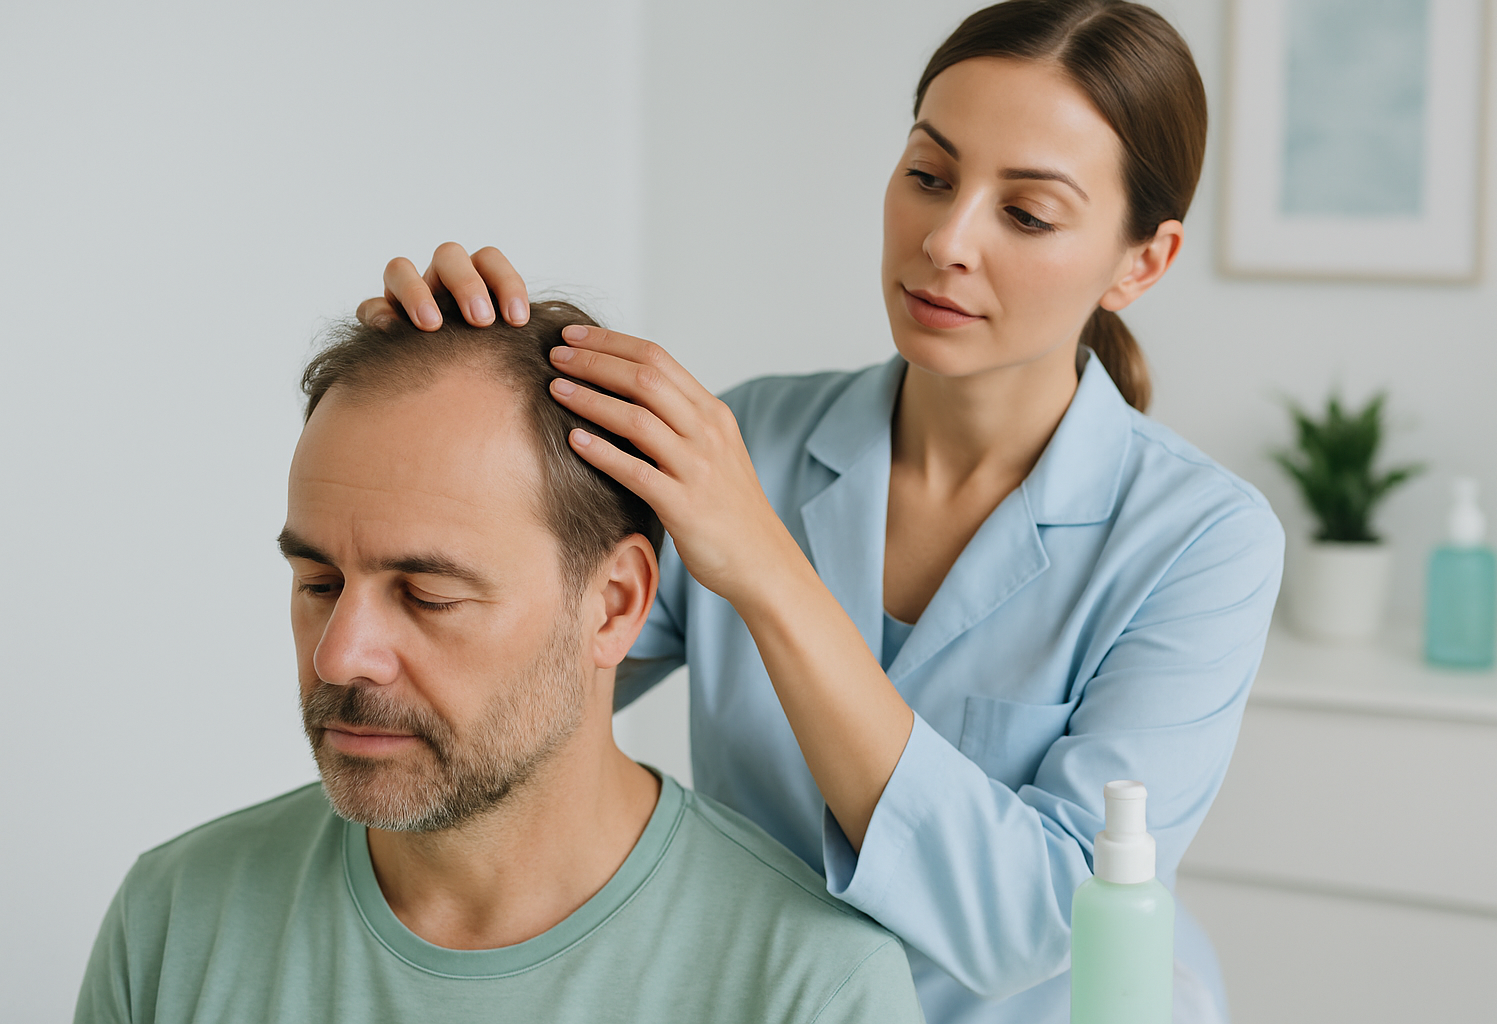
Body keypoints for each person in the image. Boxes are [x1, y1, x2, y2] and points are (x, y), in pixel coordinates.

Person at [359, 2, 1286, 1021]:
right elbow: (516, 692)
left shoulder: (1204, 541)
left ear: (1141, 262)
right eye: (929, 175)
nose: (946, 240)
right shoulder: (747, 437)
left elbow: (1035, 924)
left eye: (1026, 214)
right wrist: (451, 393)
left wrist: (765, 565)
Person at [72, 302, 925, 1024]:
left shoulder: (815, 989)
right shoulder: (172, 922)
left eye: (428, 595)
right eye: (318, 583)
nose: (341, 655)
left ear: (614, 604)